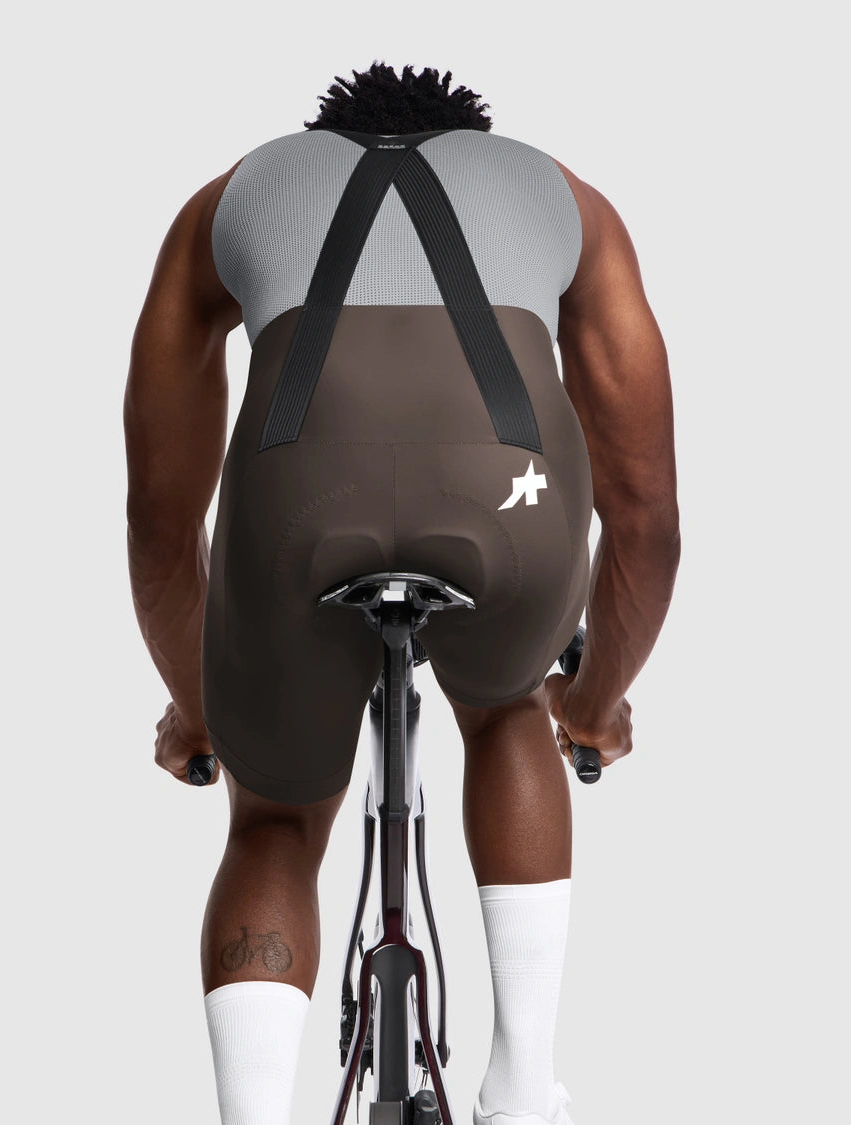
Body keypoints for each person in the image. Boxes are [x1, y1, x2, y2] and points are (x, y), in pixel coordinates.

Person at [124, 60, 680, 1125]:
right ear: (470, 139)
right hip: (512, 497)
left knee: (274, 820)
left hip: (294, 500)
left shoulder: (230, 197)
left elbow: (160, 515)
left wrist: (202, 711)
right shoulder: (566, 196)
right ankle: (523, 1086)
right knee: (509, 706)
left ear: (324, 137)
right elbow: (647, 515)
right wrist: (595, 703)